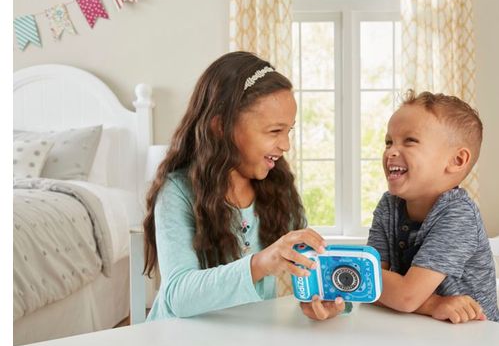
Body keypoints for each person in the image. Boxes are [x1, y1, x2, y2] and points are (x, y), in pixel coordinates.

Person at [142, 51, 347, 322]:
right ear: (221, 126)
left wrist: (318, 300)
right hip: (178, 340)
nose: (286, 145)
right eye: (274, 131)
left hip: (248, 339)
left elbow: (304, 265)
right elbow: (178, 296)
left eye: (289, 131)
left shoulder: (278, 188)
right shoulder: (177, 191)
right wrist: (260, 263)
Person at [366, 91, 499, 324]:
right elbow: (366, 286)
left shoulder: (459, 214)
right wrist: (433, 304)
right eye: (389, 142)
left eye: (409, 141)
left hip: (473, 334)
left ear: (456, 161)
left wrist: (393, 292)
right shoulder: (388, 206)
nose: (391, 151)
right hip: (418, 328)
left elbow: (402, 295)